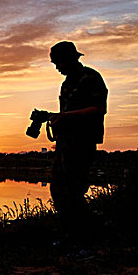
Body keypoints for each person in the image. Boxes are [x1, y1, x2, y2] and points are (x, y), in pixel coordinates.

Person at [48, 41, 108, 246]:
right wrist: (56, 118)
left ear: (70, 59)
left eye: (58, 63)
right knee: (58, 189)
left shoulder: (91, 78)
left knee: (74, 192)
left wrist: (64, 117)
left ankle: (86, 242)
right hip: (65, 144)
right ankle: (69, 236)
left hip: (82, 143)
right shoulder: (66, 84)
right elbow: (67, 114)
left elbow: (97, 109)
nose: (57, 67)